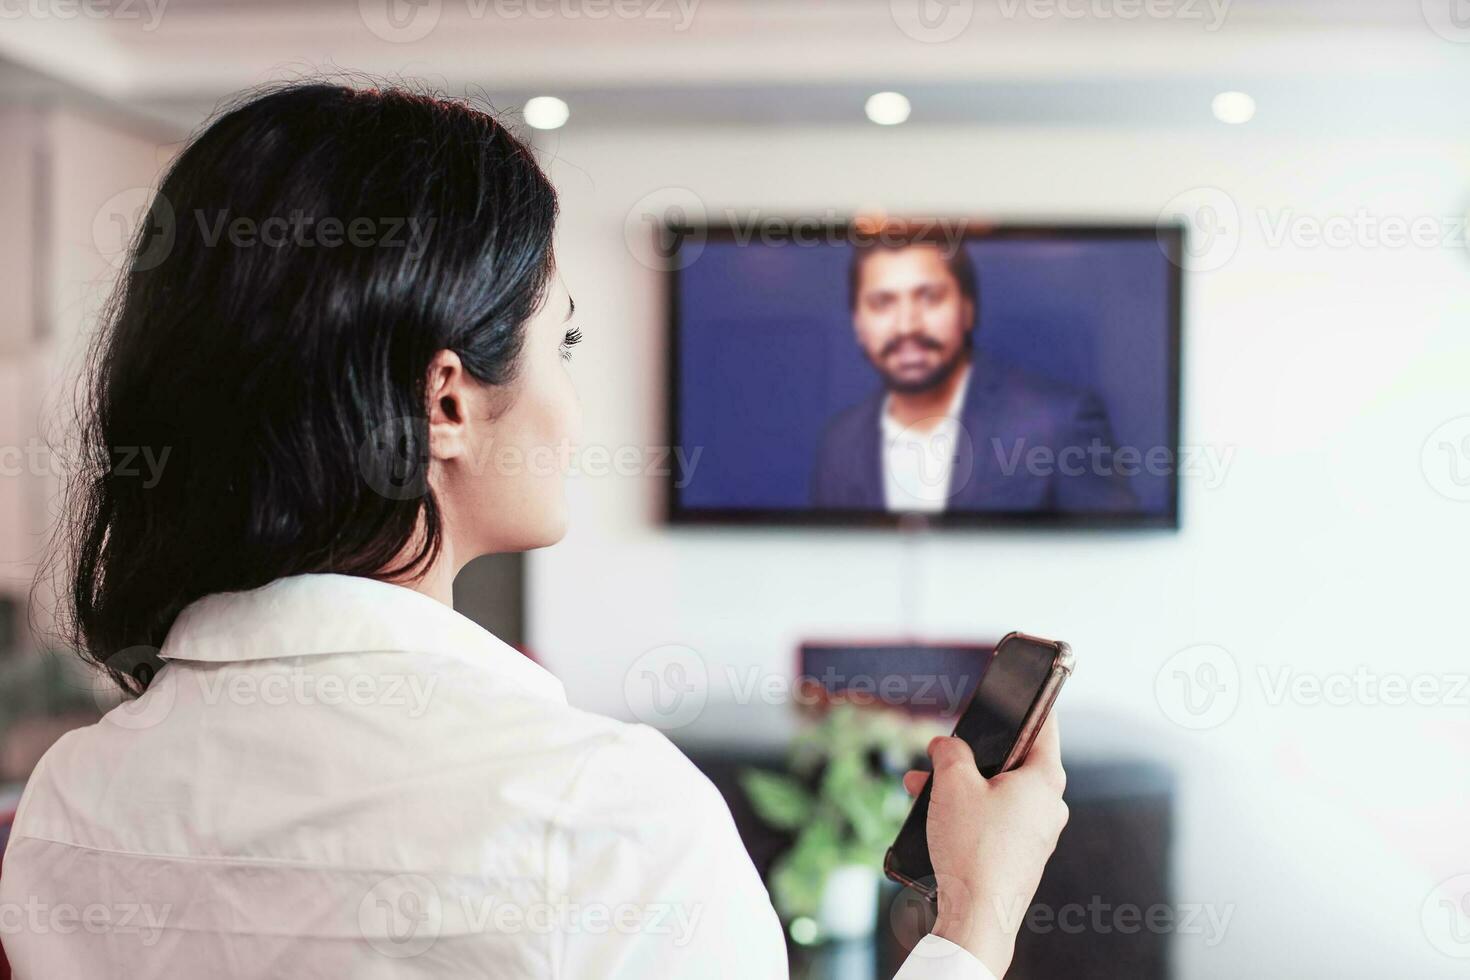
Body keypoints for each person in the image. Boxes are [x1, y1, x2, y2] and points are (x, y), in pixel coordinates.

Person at [0, 83, 1068, 979]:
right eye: (564, 340)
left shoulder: (71, 798)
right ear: (447, 401)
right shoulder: (603, 815)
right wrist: (974, 916)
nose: (576, 406)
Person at [811, 235, 1137, 514]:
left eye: (929, 298)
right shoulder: (839, 444)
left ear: (968, 309)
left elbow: (1123, 568)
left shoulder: (1059, 423)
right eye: (882, 303)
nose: (907, 325)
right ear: (858, 324)